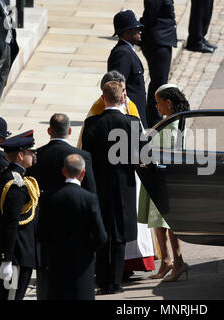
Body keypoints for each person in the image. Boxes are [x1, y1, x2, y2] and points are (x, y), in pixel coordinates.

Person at [82, 81, 143, 294]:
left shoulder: (92, 124)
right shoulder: (132, 122)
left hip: (98, 185)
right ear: (122, 98)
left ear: (103, 98)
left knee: (102, 231)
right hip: (123, 185)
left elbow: (86, 158)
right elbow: (142, 156)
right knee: (118, 235)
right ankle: (115, 283)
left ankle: (102, 279)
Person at [27, 113, 96, 300]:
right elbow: (91, 192)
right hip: (76, 225)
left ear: (49, 131)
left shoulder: (37, 156)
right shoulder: (82, 156)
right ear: (70, 130)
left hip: (46, 223)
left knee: (48, 278)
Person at [138, 84, 190, 282]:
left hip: (164, 180)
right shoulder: (169, 121)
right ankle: (168, 261)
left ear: (169, 102)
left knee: (167, 224)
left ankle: (177, 263)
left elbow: (166, 156)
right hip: (157, 178)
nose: (156, 107)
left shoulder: (173, 126)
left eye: (158, 103)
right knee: (160, 224)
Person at [0, 130, 39, 300]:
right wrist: (7, 259)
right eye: (30, 151)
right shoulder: (15, 186)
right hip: (16, 257)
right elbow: (10, 222)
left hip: (11, 255)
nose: (34, 154)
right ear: (21, 155)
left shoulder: (4, 176)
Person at [47, 154, 107, 300]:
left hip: (57, 263)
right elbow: (101, 236)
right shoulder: (90, 198)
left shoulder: (51, 198)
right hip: (83, 264)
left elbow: (42, 233)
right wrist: (88, 249)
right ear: (83, 173)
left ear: (63, 171)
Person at [77, 70, 140, 149]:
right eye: (121, 91)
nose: (124, 94)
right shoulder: (97, 109)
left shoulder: (130, 105)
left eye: (124, 89)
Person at [140, 0, 178, 128]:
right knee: (158, 82)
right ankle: (154, 119)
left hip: (163, 38)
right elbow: (150, 15)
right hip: (158, 41)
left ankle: (155, 116)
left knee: (159, 80)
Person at [108, 10, 148, 129]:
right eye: (136, 29)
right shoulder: (122, 54)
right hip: (129, 119)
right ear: (126, 33)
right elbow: (117, 88)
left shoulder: (127, 51)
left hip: (135, 114)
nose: (140, 32)